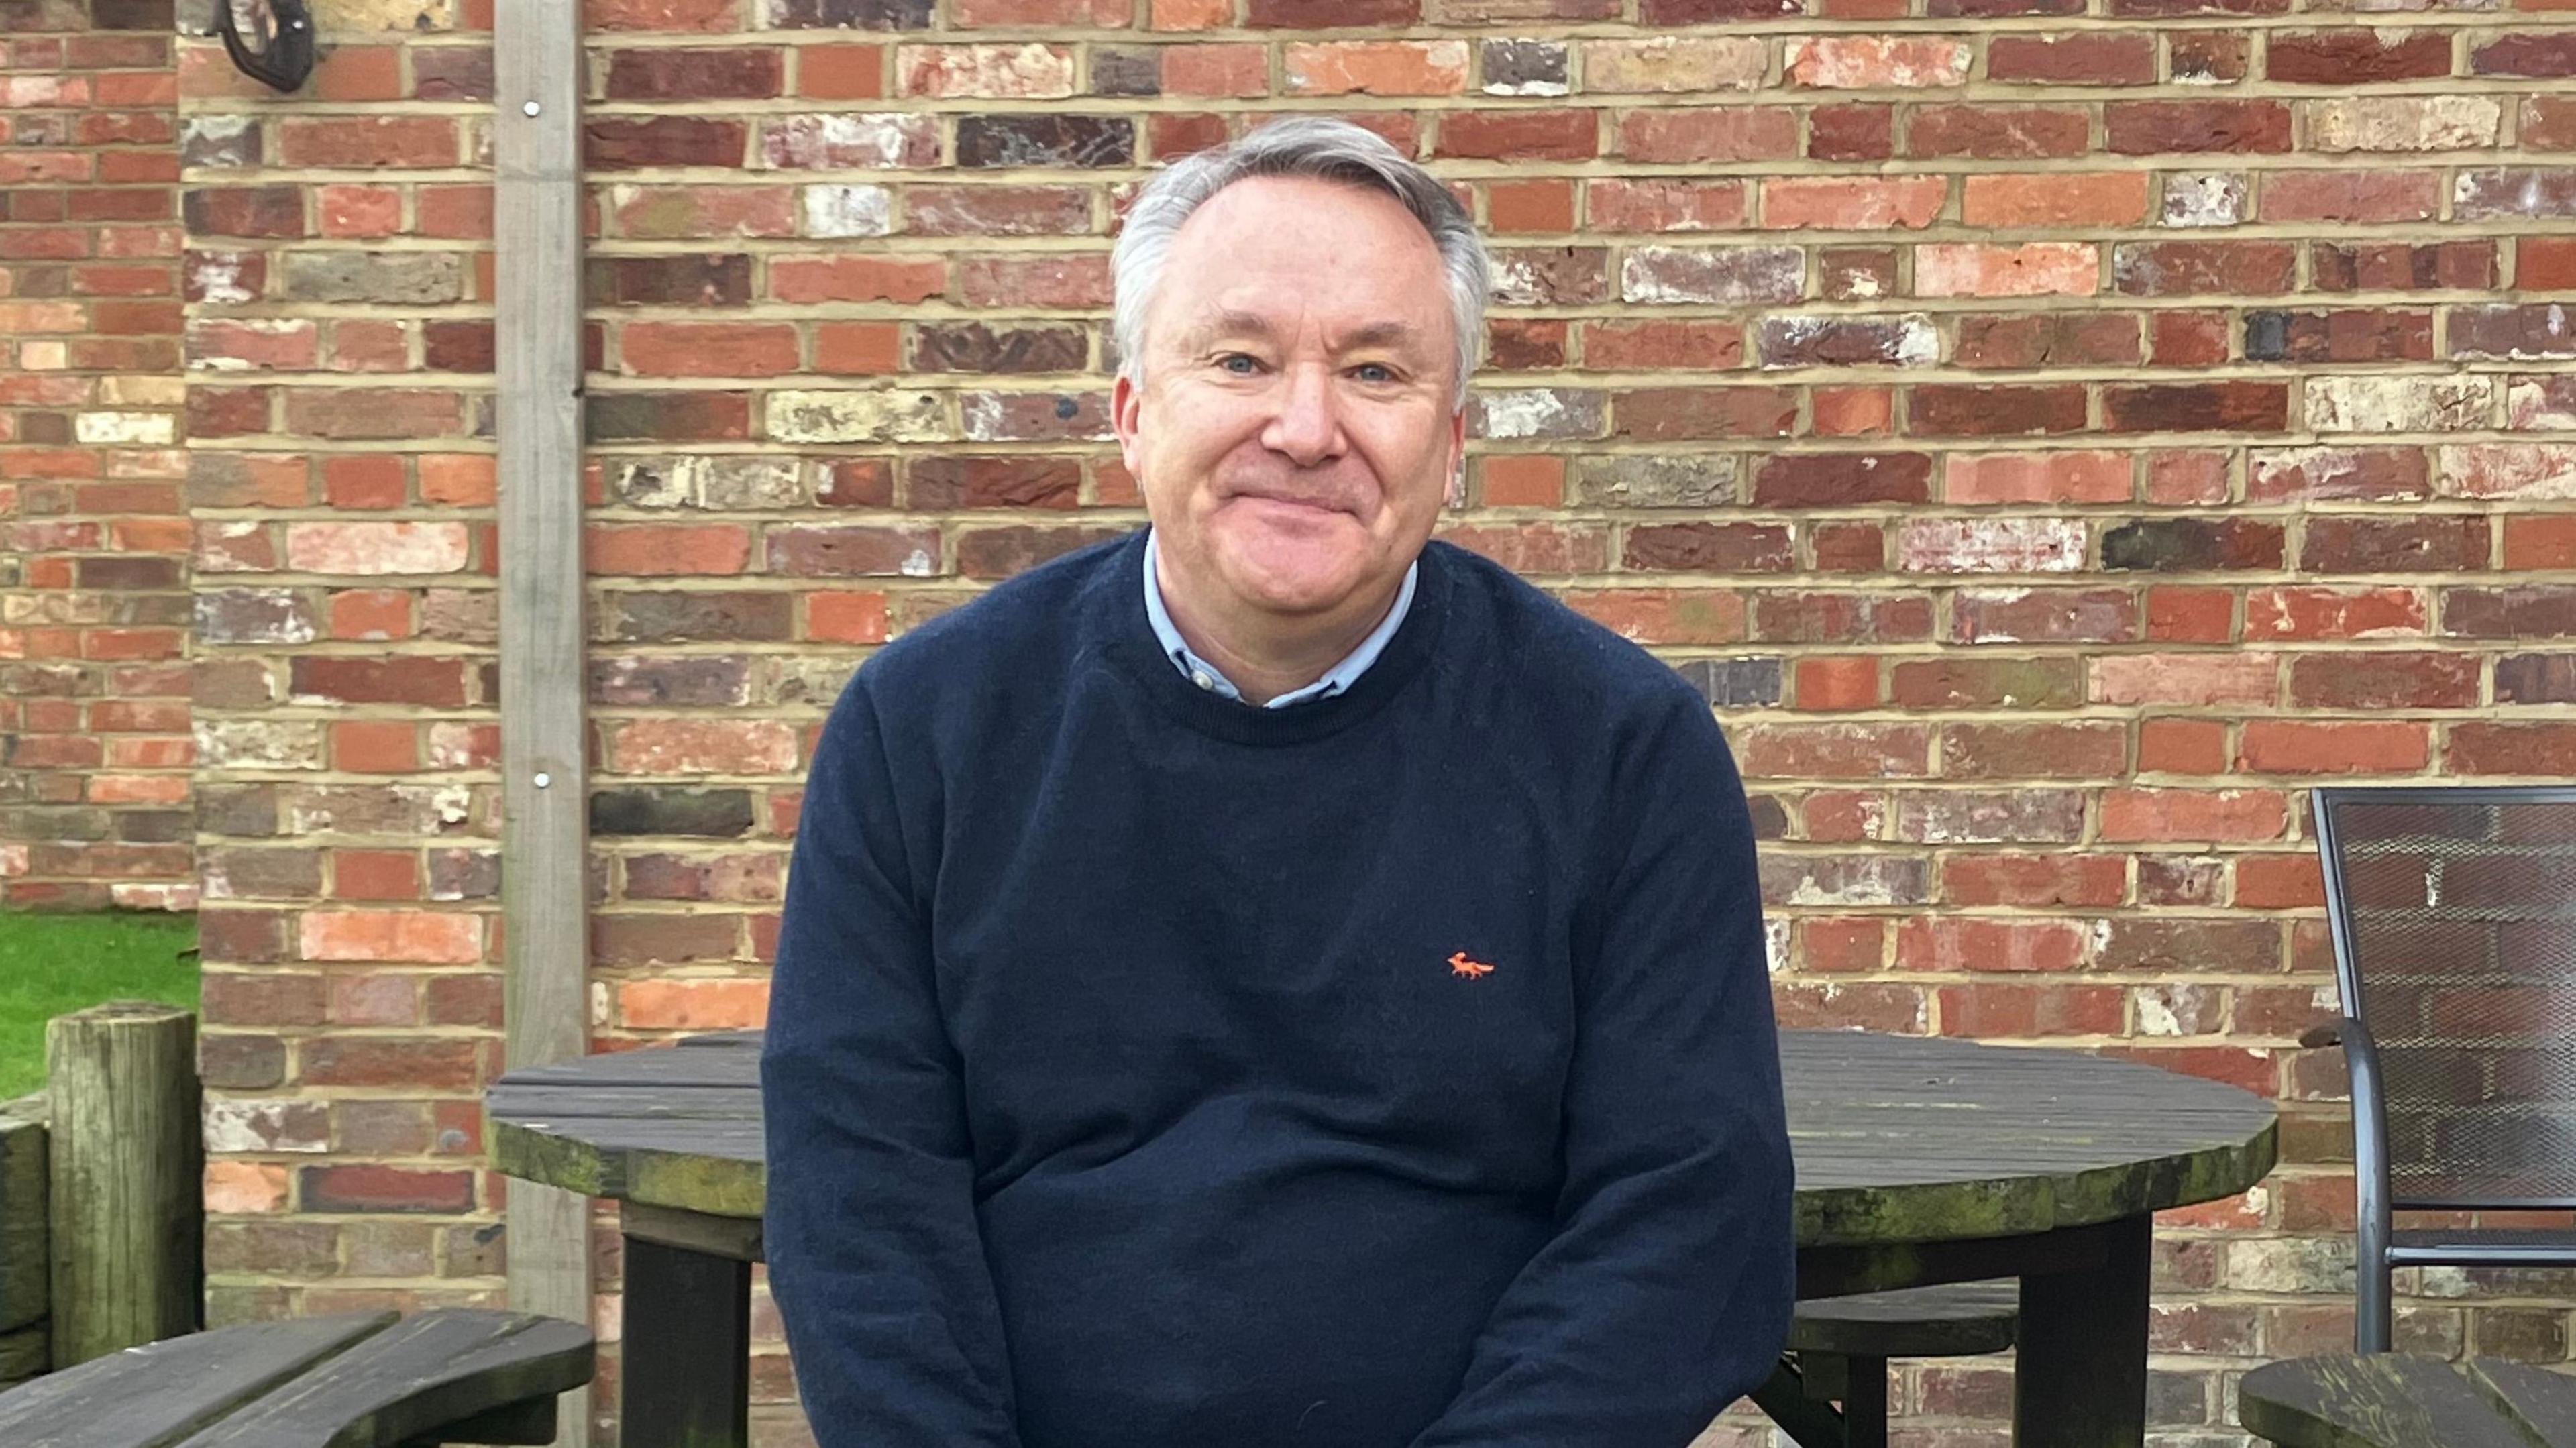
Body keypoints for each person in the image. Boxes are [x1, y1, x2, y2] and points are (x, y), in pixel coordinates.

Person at [761, 115, 1793, 1448]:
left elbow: (1690, 1218)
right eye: (1240, 359)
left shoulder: (1621, 750)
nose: (1305, 428)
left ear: (1454, 439)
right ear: (1135, 410)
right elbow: (861, 1207)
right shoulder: (928, 731)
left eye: (1376, 371)